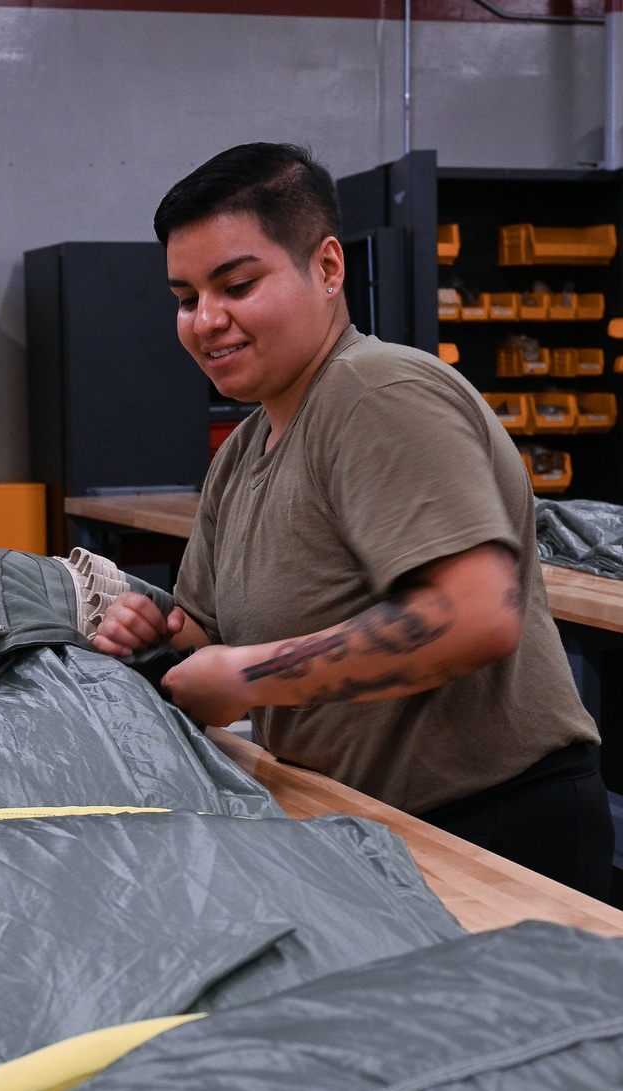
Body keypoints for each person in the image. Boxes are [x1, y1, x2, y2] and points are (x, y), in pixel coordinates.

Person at [93, 141, 615, 901]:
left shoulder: (378, 393)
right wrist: (159, 632)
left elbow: (473, 617)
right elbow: (207, 628)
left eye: (237, 284)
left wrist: (242, 677)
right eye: (185, 297)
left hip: (490, 832)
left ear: (329, 268)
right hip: (364, 824)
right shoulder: (243, 452)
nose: (207, 320)